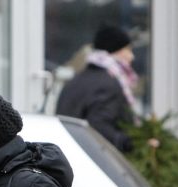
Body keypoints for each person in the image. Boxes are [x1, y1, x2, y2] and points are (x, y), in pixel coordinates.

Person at [56, 24, 138, 152]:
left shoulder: (78, 78)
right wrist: (130, 143)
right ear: (114, 50)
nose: (131, 56)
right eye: (127, 50)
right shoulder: (107, 84)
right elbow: (99, 129)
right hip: (95, 159)